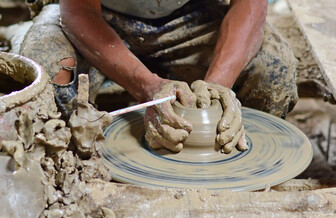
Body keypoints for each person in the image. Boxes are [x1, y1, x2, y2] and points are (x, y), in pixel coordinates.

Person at [20, 0, 298, 153]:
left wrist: (217, 85)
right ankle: (71, 169)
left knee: (274, 70)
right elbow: (78, 11)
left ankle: (243, 154)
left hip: (190, 14)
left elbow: (251, 4)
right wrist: (147, 86)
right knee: (48, 74)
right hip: (99, 15)